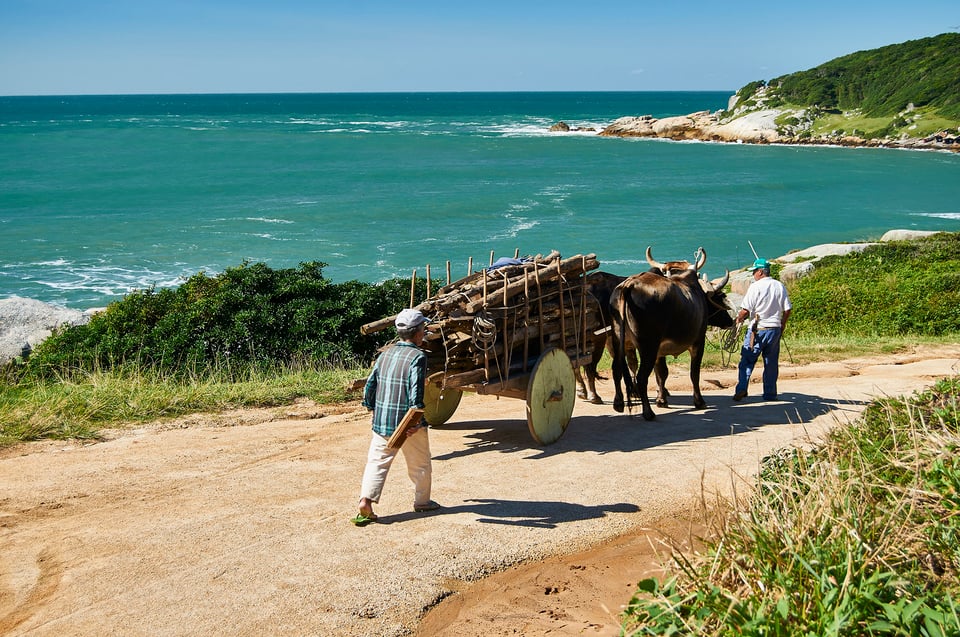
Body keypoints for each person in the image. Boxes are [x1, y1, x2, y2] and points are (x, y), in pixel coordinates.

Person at [353, 308, 440, 526]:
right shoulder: (418, 357)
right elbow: (415, 393)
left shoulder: (385, 353)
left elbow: (370, 386)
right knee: (420, 464)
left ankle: (366, 501)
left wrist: (372, 409)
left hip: (382, 421)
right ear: (418, 332)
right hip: (406, 424)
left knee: (377, 461)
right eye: (423, 329)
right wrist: (415, 422)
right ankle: (422, 502)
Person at [733, 258, 792, 401]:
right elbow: (788, 309)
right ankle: (770, 394)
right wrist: (782, 324)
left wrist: (738, 319)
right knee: (771, 363)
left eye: (754, 271)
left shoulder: (755, 287)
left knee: (747, 360)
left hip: (757, 330)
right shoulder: (779, 285)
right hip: (774, 329)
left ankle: (742, 389)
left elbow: (746, 310)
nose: (753, 274)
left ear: (760, 272)